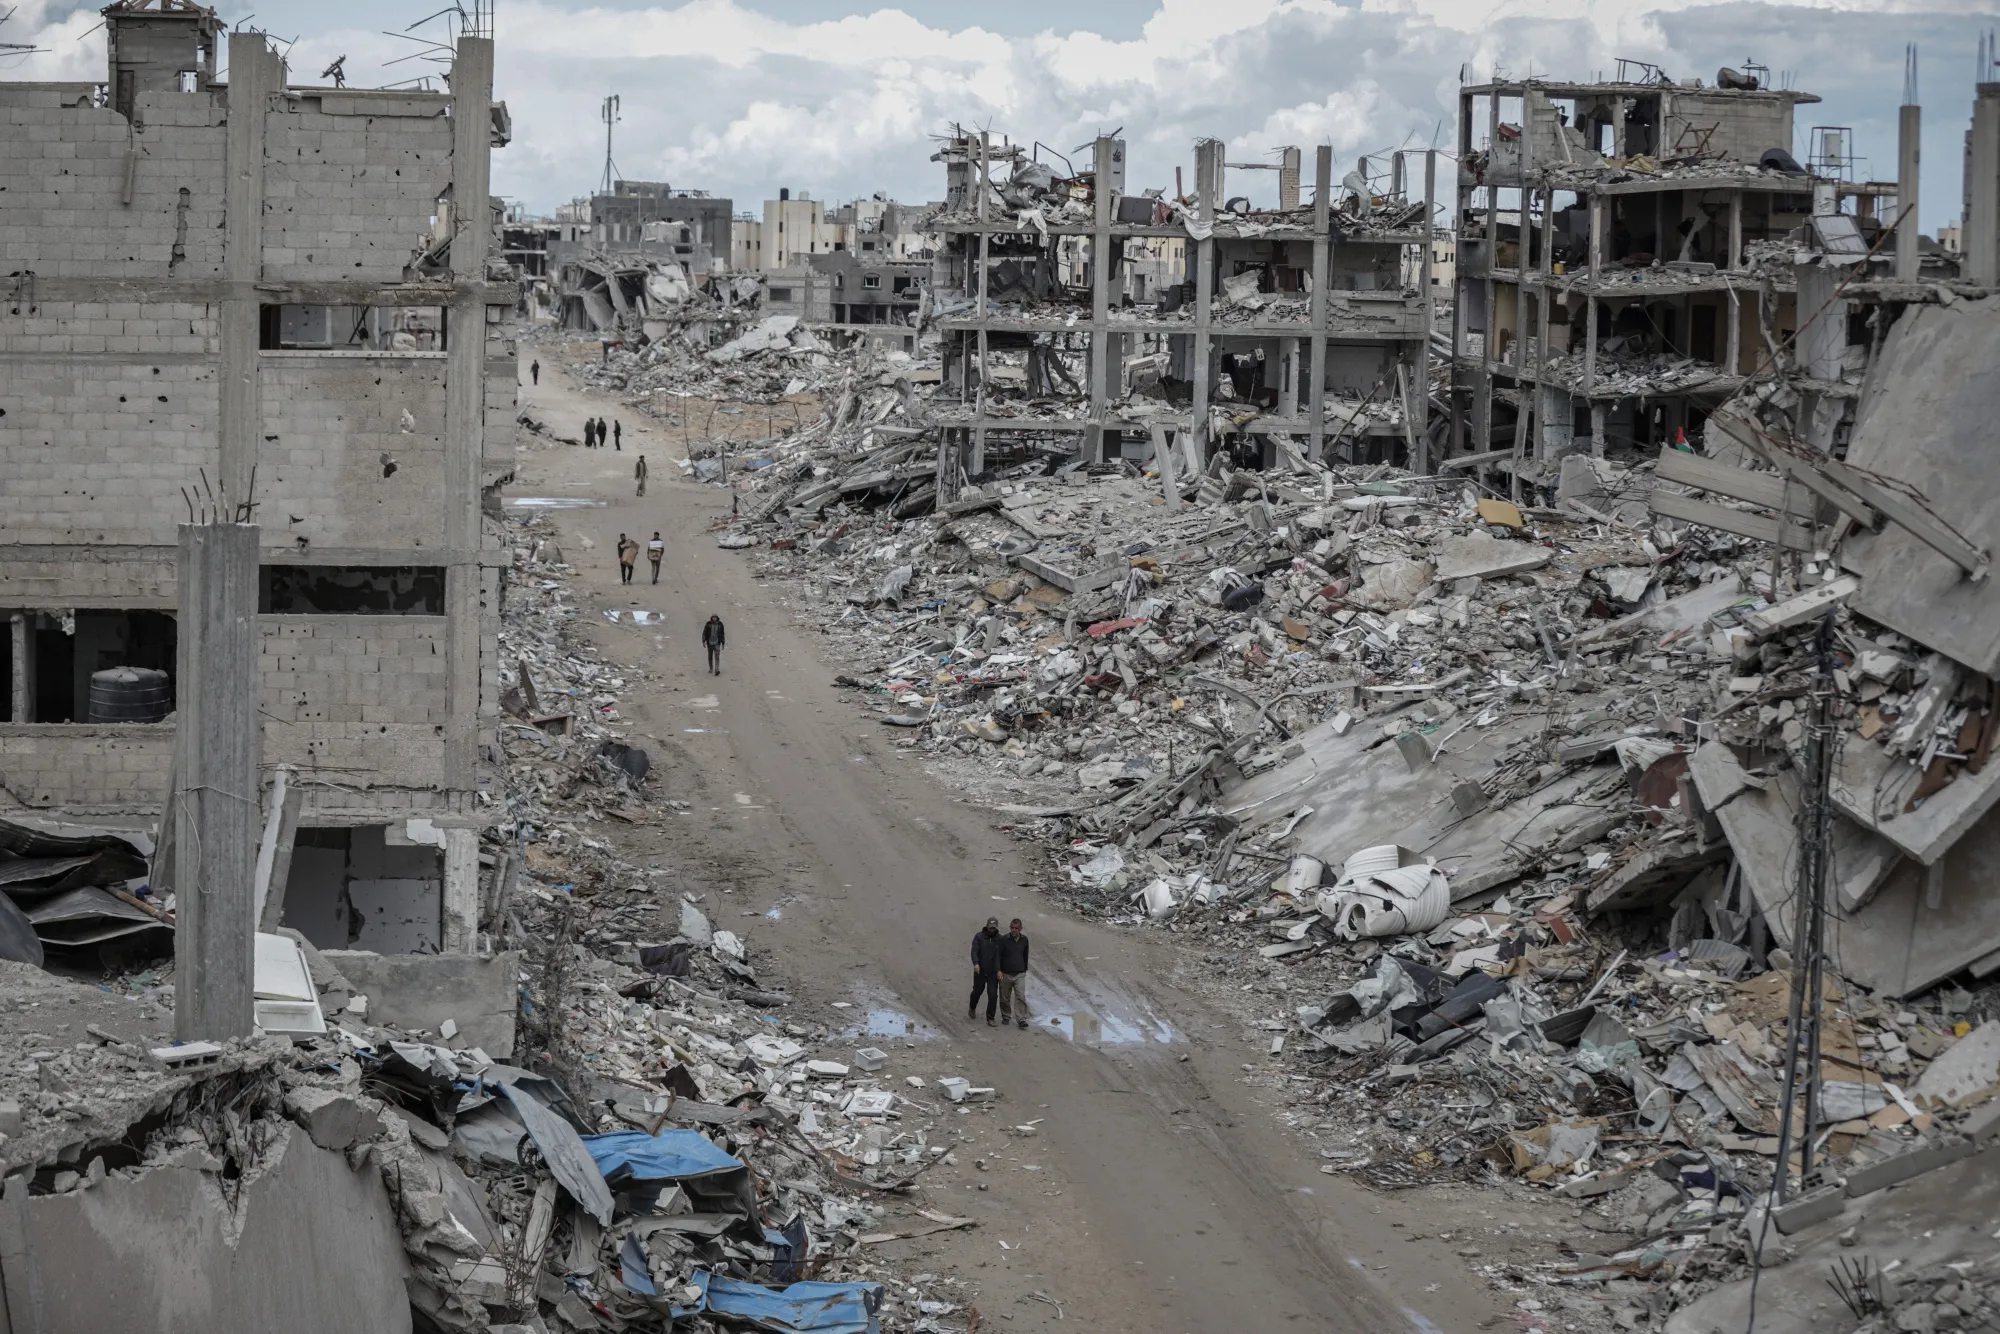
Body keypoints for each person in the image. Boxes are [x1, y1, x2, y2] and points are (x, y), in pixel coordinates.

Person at [996, 918, 1030, 1029]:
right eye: (1012, 928)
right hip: (1006, 973)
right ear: (1010, 927)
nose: (1014, 930)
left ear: (1021, 928)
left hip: (1019, 973)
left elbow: (1025, 955)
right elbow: (998, 956)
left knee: (1020, 996)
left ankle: (1021, 1019)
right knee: (1004, 997)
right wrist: (999, 970)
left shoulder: (1025, 940)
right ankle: (1006, 1016)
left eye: (1016, 928)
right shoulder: (1004, 939)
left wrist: (1024, 969)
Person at [968, 917, 1002, 1026]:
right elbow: (974, 951)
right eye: (990, 928)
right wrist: (976, 963)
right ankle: (972, 1007)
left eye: (994, 928)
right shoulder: (979, 937)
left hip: (993, 972)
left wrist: (999, 970)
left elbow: (1000, 956)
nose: (992, 930)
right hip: (980, 971)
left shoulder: (999, 939)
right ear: (987, 926)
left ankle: (990, 1018)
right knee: (977, 992)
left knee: (993, 995)